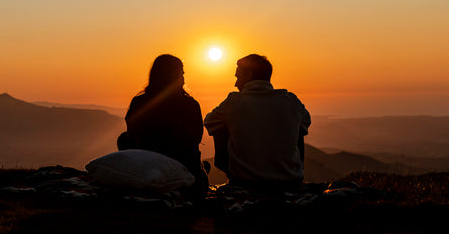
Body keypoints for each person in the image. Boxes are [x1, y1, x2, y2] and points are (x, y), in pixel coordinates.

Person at [203, 54, 310, 193]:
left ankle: (233, 172)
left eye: (238, 77)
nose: (236, 83)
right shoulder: (291, 101)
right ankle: (293, 170)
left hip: (245, 182)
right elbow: (305, 123)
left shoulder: (233, 102)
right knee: (299, 127)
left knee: (220, 124)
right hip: (290, 182)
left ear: (248, 74)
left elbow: (209, 121)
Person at [118, 54, 209, 194]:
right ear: (176, 76)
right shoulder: (190, 105)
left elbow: (132, 132)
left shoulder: (139, 102)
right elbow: (195, 140)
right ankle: (200, 172)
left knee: (123, 139)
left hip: (147, 167)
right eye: (181, 73)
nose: (184, 78)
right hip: (182, 168)